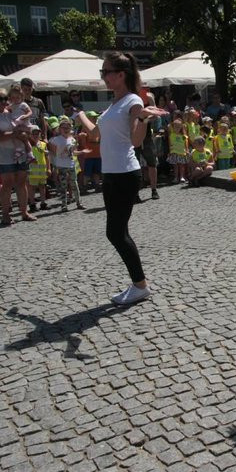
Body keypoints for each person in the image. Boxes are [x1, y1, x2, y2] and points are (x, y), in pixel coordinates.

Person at [74, 51, 166, 305]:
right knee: (118, 231)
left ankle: (140, 286)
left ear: (120, 75)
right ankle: (139, 285)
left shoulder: (133, 101)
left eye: (105, 72)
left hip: (125, 173)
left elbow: (136, 140)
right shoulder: (114, 104)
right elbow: (95, 135)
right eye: (102, 72)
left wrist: (144, 117)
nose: (103, 77)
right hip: (112, 173)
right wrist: (79, 114)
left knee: (115, 233)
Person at [0, 88, 37, 225]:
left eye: (4, 99)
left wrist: (24, 134)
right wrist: (17, 133)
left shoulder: (11, 112)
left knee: (21, 182)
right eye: (0, 99)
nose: (4, 102)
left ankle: (24, 212)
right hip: (4, 153)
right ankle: (5, 214)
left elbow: (23, 126)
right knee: (7, 183)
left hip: (19, 151)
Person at [49, 117, 84, 212]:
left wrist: (80, 151)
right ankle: (64, 205)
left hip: (71, 164)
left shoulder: (72, 139)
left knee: (74, 184)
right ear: (60, 129)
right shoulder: (55, 139)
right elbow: (52, 152)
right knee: (63, 186)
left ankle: (79, 203)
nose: (66, 130)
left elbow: (73, 152)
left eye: (68, 128)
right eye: (64, 128)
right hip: (61, 165)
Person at [134, 93, 160, 200]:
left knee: (152, 164)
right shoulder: (130, 104)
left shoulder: (145, 105)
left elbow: (155, 115)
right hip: (133, 139)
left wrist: (152, 100)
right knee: (134, 166)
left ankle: (154, 190)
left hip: (147, 138)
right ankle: (135, 193)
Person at [27, 125, 50, 212]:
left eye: (37, 133)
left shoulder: (43, 144)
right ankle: (32, 204)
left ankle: (43, 203)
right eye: (34, 133)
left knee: (42, 186)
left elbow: (47, 157)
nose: (36, 135)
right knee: (32, 187)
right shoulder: (28, 145)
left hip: (42, 169)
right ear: (30, 135)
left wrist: (48, 168)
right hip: (32, 170)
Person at [166, 116, 190, 183]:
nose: (177, 128)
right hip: (174, 152)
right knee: (175, 166)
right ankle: (176, 177)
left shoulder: (183, 136)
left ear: (181, 127)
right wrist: (170, 151)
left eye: (178, 127)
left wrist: (187, 150)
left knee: (181, 165)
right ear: (173, 127)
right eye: (175, 127)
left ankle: (182, 176)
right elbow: (170, 144)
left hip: (182, 152)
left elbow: (186, 144)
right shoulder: (171, 135)